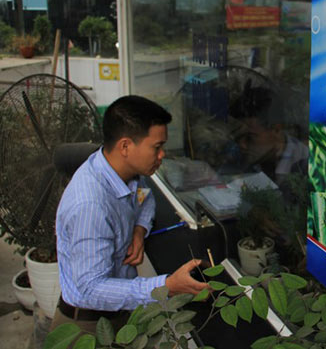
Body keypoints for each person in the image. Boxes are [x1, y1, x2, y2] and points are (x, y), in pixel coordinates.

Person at [51, 95, 209, 333]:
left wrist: (139, 229)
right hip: (87, 326)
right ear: (125, 146)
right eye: (157, 147)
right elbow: (91, 289)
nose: (162, 155)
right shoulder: (90, 205)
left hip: (119, 311)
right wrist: (167, 286)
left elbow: (145, 198)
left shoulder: (125, 171)